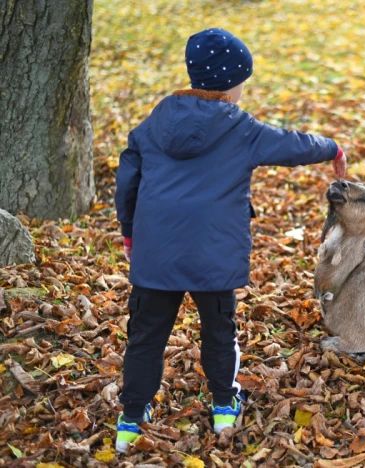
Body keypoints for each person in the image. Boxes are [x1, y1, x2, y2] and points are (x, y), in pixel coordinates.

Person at [114, 27, 346, 453]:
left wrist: (130, 234)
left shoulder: (154, 122)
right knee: (219, 331)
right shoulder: (241, 128)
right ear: (232, 82)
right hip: (212, 256)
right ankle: (223, 405)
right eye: (242, 80)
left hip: (156, 254)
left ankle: (130, 420)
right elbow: (291, 145)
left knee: (146, 336)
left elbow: (128, 181)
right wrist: (331, 148)